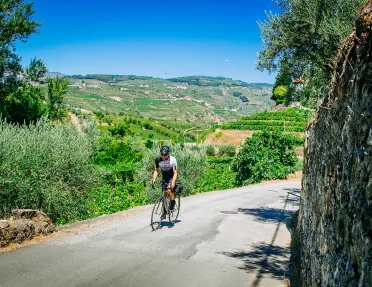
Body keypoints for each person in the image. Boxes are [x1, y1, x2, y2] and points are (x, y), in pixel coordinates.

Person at [151, 145, 178, 211]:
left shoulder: (173, 160)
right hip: (164, 177)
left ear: (168, 154)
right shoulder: (157, 160)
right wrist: (154, 179)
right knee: (164, 194)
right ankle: (165, 212)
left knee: (169, 189)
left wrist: (173, 183)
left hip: (171, 176)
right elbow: (156, 170)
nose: (163, 156)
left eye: (165, 155)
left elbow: (175, 173)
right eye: (162, 155)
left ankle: (172, 202)